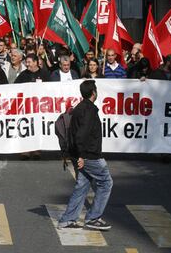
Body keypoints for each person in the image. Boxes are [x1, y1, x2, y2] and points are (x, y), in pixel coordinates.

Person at [57, 80, 113, 231]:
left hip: (80, 154)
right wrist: (82, 156)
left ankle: (67, 219)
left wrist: (78, 155)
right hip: (89, 155)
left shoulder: (80, 108)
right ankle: (93, 218)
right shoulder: (89, 110)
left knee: (82, 186)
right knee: (106, 183)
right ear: (93, 92)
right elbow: (81, 135)